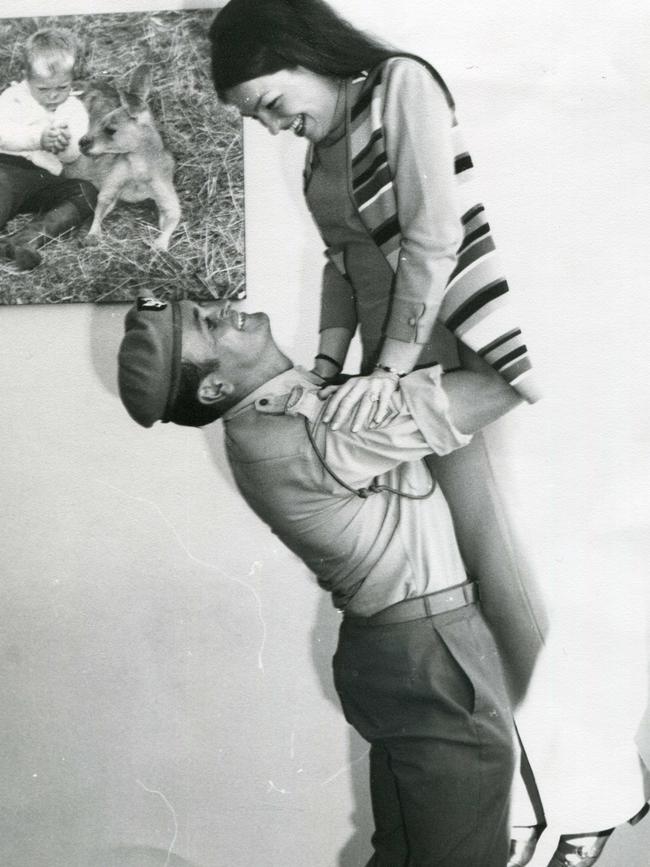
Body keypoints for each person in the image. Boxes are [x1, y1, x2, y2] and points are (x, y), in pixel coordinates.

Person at [207, 3, 648, 865]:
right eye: (255, 117)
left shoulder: (399, 84)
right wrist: (336, 363)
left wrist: (401, 365)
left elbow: (436, 232)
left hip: (443, 345)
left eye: (269, 100)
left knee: (498, 570)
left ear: (304, 53)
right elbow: (343, 263)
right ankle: (543, 798)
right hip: (390, 360)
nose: (271, 123)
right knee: (474, 585)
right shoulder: (321, 144)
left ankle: (584, 796)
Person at [117, 295, 528, 866]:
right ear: (213, 390)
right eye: (208, 326)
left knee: (413, 852)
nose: (224, 308)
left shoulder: (273, 418)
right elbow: (508, 383)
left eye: (204, 308)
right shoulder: (321, 426)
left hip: (397, 650)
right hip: (431, 651)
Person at [0, 27, 96, 270]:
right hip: (8, 169)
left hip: (44, 179)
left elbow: (74, 154)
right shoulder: (13, 98)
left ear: (73, 79)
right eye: (43, 89)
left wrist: (62, 146)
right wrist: (38, 139)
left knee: (85, 193)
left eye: (62, 87)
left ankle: (23, 241)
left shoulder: (74, 109)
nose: (53, 96)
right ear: (27, 77)